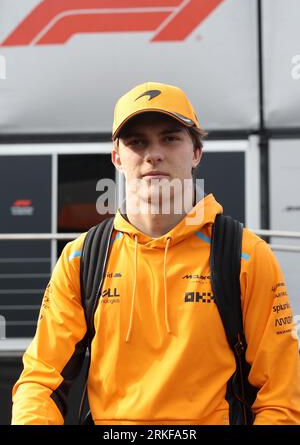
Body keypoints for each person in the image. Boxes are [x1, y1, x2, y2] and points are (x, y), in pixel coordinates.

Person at [12, 81, 300, 425]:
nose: (154, 154)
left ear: (196, 152)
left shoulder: (247, 256)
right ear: (117, 158)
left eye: (170, 138)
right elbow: (40, 382)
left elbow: (281, 397)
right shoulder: (82, 258)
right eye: (137, 142)